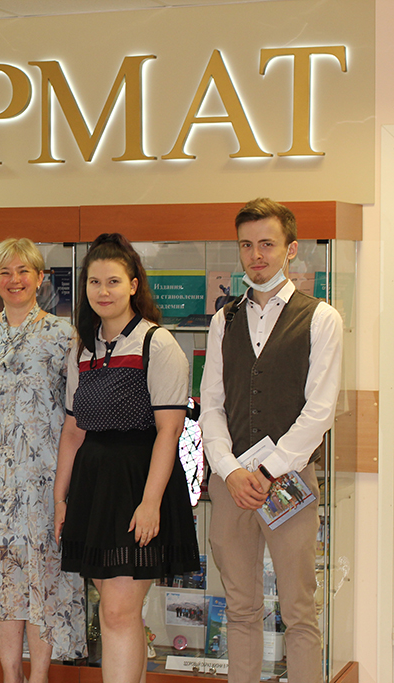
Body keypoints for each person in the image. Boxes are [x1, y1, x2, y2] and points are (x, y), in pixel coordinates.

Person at [199, 198, 341, 683]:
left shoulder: (321, 318)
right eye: (246, 245)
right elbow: (211, 405)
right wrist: (230, 470)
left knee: (299, 611)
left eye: (267, 244)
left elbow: (319, 411)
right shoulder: (223, 320)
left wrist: (267, 470)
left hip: (289, 482)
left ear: (291, 249)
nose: (256, 255)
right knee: (239, 608)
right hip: (232, 484)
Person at [53, 233, 199, 683]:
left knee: (117, 612)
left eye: (113, 281)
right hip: (94, 487)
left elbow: (169, 430)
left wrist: (151, 502)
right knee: (117, 612)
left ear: (134, 285)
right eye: (94, 282)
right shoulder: (83, 348)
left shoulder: (158, 343)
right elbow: (73, 431)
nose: (103, 291)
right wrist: (59, 499)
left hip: (139, 483)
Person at [0, 238, 86, 682]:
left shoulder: (63, 335)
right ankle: (10, 674)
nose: (14, 280)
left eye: (24, 270)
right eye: (5, 272)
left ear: (41, 278)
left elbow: (74, 415)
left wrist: (65, 487)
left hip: (43, 479)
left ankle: (39, 676)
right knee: (0, 576)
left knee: (42, 577)